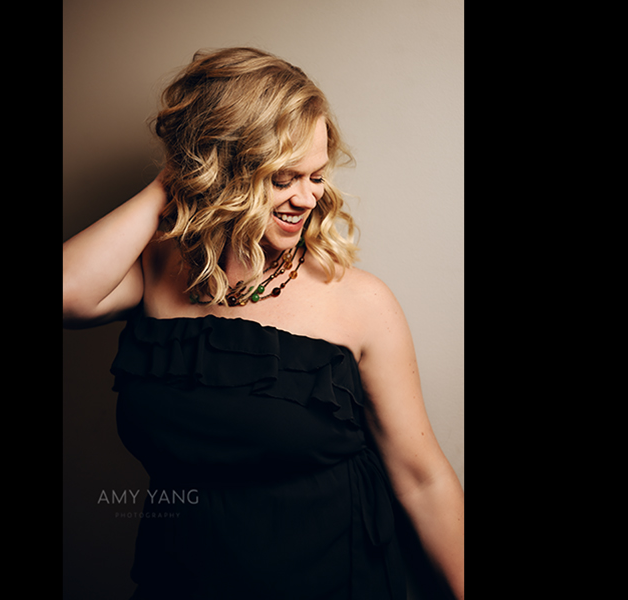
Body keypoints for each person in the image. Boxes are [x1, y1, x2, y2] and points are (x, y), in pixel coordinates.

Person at [63, 47, 463, 600]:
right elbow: (67, 294)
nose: (306, 198)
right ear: (220, 170)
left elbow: (423, 480)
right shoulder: (156, 270)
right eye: (281, 178)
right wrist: (173, 181)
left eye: (317, 175)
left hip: (338, 580)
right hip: (181, 582)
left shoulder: (360, 304)